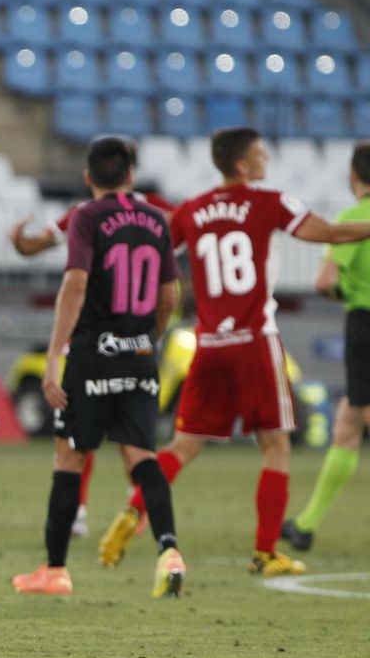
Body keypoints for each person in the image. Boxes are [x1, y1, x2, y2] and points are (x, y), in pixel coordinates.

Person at [97, 127, 370, 576]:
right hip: (255, 341)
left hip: (209, 344)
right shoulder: (271, 202)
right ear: (243, 164)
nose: (267, 157)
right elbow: (333, 233)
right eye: (261, 152)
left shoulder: (194, 208)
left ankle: (133, 510)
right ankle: (265, 552)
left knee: (184, 445)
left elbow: (153, 243)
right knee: (276, 445)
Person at [13, 137, 185, 597]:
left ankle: (54, 571)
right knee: (142, 457)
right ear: (131, 175)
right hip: (140, 356)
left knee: (70, 456)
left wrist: (54, 356)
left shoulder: (86, 217)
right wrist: (153, 338)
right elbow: (170, 294)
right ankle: (169, 551)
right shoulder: (155, 218)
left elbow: (75, 285)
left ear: (88, 178)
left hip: (91, 356)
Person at [282, 142, 370, 551]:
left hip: (365, 321)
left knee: (354, 418)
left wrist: (342, 292)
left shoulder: (355, 218)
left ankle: (306, 524)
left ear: (353, 176)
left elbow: (323, 281)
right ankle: (305, 524)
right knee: (348, 420)